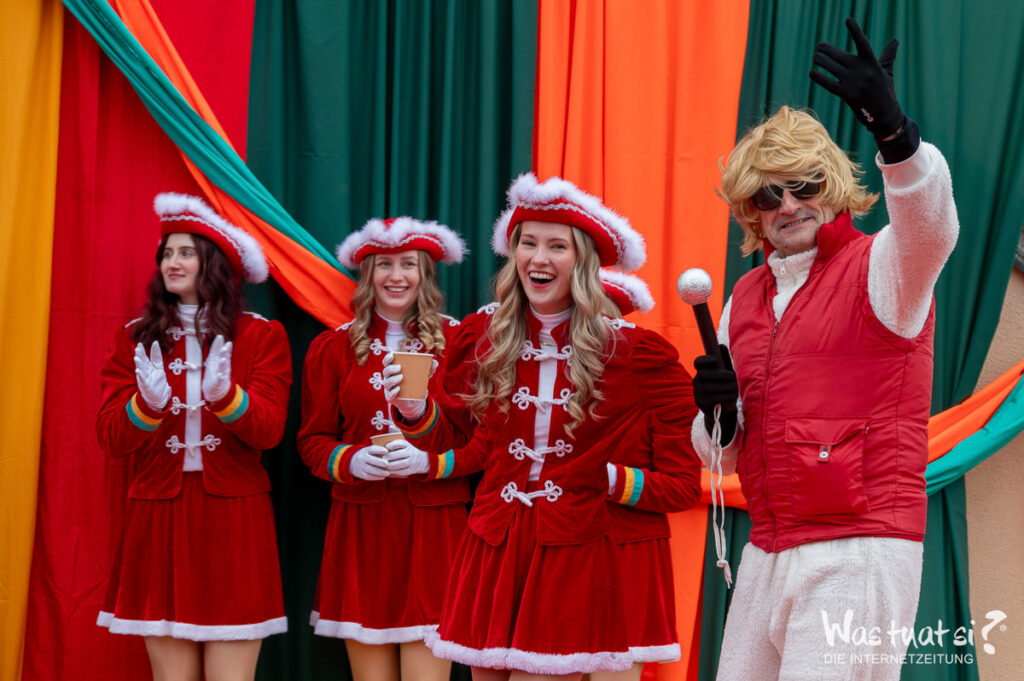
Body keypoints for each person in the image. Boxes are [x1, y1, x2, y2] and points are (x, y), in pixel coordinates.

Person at [690, 19, 959, 681]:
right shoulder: (743, 298)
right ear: (750, 210)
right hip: (768, 549)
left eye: (805, 184)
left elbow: (932, 226)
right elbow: (722, 454)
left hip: (859, 550)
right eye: (768, 193)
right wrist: (716, 416)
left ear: (832, 186)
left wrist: (894, 133)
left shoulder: (885, 267)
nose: (789, 205)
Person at [384, 174, 703, 680]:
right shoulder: (481, 337)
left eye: (557, 246)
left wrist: (607, 479)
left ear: (584, 261)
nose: (538, 258)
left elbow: (684, 485)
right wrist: (413, 410)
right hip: (495, 548)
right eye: (528, 243)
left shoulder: (638, 355)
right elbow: (456, 445)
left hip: (579, 554)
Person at [96, 193, 292, 681]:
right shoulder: (134, 337)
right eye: (167, 252)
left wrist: (227, 398)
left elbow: (269, 430)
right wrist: (147, 407)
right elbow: (111, 438)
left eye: (186, 252)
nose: (172, 262)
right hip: (158, 515)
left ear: (215, 263)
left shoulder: (261, 336)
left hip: (234, 518)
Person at [297, 217, 469, 681]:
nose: (397, 275)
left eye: (408, 264)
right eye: (384, 265)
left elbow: (479, 440)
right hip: (362, 526)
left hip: (434, 525)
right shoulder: (332, 347)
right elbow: (312, 442)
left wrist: (429, 460)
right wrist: (349, 460)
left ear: (425, 274)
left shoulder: (460, 342)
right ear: (367, 274)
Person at [597, 269, 697, 681]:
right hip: (542, 556)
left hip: (624, 559)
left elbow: (683, 487)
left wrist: (610, 479)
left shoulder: (648, 367)